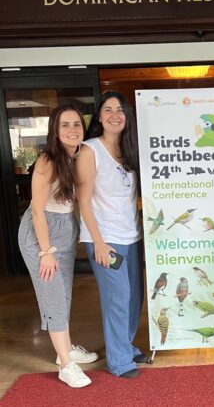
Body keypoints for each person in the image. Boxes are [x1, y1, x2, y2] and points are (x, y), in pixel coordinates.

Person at [18, 104, 98, 388]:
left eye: (77, 124)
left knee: (63, 295)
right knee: (53, 295)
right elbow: (38, 211)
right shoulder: (47, 160)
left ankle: (64, 348)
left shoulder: (79, 156)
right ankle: (66, 364)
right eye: (65, 125)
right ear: (55, 129)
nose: (72, 130)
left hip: (64, 230)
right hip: (41, 235)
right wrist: (46, 251)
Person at [76, 91, 145, 378]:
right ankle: (118, 360)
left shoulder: (129, 149)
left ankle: (124, 345)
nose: (114, 114)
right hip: (105, 240)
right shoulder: (90, 150)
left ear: (127, 116)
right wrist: (99, 242)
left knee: (133, 297)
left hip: (132, 236)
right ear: (99, 116)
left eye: (120, 109)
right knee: (117, 298)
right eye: (108, 109)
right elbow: (83, 200)